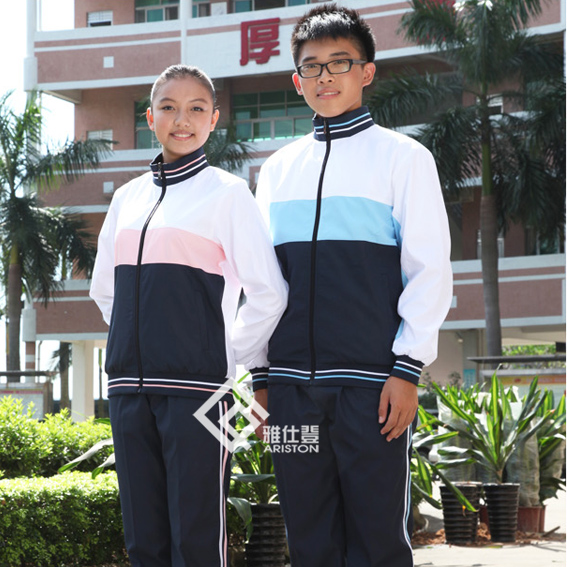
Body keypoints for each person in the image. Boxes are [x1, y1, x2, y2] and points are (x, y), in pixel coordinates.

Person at [251, 4, 453, 567]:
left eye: (339, 62)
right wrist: (261, 377)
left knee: (377, 540)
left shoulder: (404, 159)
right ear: (297, 81)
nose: (325, 76)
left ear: (367, 72)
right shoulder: (277, 170)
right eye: (312, 66)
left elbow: (429, 269)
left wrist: (407, 369)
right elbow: (261, 284)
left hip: (373, 391)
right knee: (307, 536)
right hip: (289, 392)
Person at [90, 64, 288, 567]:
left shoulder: (228, 194)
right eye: (169, 108)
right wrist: (139, 341)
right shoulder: (127, 198)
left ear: (214, 119)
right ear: (150, 117)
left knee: (197, 539)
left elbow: (269, 293)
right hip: (128, 391)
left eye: (197, 108)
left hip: (202, 393)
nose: (183, 120)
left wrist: (222, 355)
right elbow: (106, 291)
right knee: (143, 540)